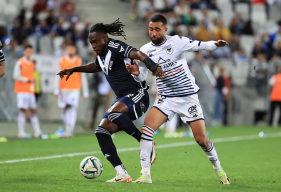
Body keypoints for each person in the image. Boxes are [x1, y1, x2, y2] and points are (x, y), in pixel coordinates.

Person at [126, 14, 230, 184]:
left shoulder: (177, 42)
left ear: (165, 29)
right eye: (151, 29)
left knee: (201, 140)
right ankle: (145, 174)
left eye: (157, 29)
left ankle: (218, 168)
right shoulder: (144, 51)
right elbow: (143, 76)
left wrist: (215, 45)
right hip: (166, 98)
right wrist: (137, 74)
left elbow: (200, 45)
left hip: (187, 97)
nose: (153, 33)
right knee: (146, 130)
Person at [57, 19, 164, 182]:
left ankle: (144, 141)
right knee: (101, 132)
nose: (93, 45)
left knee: (113, 113)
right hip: (123, 99)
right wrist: (74, 69)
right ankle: (122, 174)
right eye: (90, 42)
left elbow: (138, 54)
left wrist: (152, 66)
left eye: (95, 41)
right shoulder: (100, 55)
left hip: (138, 95)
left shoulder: (116, 47)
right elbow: (95, 66)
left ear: (105, 39)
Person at [54, 45, 89, 137]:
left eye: (72, 49)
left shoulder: (79, 61)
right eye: (69, 49)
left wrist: (85, 91)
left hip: (75, 89)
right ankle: (67, 128)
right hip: (63, 88)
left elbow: (82, 76)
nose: (70, 51)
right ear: (66, 50)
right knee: (64, 109)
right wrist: (56, 89)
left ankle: (70, 130)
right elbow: (57, 74)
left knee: (72, 108)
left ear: (75, 51)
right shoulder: (62, 60)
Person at [13, 45, 47, 139]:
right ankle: (21, 132)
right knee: (23, 111)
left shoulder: (31, 63)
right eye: (27, 51)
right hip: (22, 90)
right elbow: (16, 76)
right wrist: (28, 80)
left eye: (30, 52)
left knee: (34, 110)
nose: (29, 53)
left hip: (30, 91)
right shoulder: (20, 62)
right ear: (24, 52)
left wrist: (33, 83)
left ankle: (37, 131)